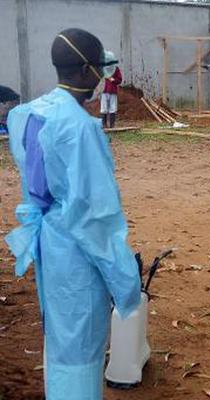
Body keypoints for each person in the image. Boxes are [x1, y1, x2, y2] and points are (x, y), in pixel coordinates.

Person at [4, 28, 141, 400]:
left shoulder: (26, 115)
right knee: (80, 342)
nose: (101, 76)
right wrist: (127, 283)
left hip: (49, 240)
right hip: (75, 248)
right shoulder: (80, 129)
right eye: (99, 68)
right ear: (85, 71)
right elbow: (95, 218)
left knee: (59, 332)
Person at [100, 51, 121, 128]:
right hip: (104, 91)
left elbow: (119, 80)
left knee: (113, 108)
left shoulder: (116, 69)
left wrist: (113, 80)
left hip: (113, 91)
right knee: (103, 108)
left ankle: (112, 125)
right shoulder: (102, 69)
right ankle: (104, 124)